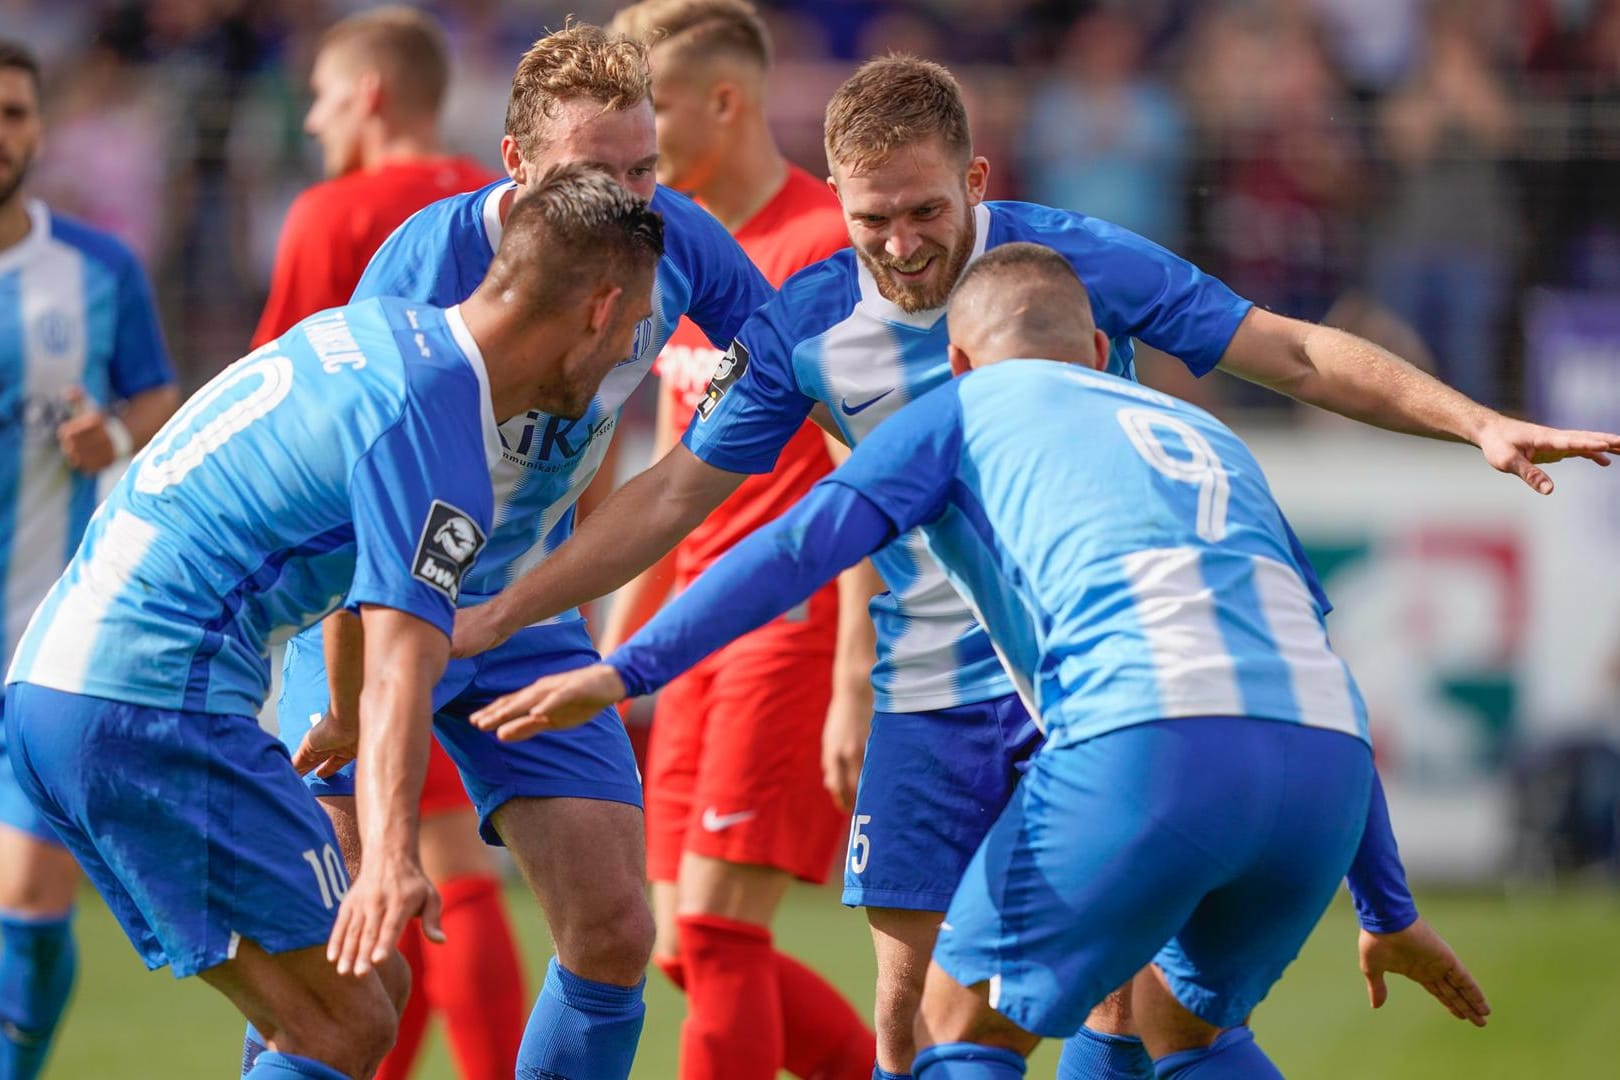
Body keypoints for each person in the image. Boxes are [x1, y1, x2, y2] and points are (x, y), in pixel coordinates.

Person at [448, 56, 1617, 1080]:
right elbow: (676, 495)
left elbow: (1295, 351)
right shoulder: (806, 321)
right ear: (837, 204)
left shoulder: (1074, 265)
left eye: (923, 211)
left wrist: (1476, 423)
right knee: (908, 1021)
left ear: (978, 182)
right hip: (932, 695)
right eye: (871, 220)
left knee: (1112, 1012)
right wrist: (507, 611)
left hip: (1101, 691)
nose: (901, 245)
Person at [3, 164, 663, 1080]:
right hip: (152, 701)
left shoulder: (383, 330)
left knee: (365, 990)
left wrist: (345, 710)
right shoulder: (438, 433)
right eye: (634, 333)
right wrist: (392, 854)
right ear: (596, 313)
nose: (622, 367)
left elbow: (352, 578)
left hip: (71, 680)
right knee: (342, 1023)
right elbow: (406, 656)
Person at [274, 24, 772, 1080]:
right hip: (363, 606)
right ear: (516, 165)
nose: (634, 199)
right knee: (340, 977)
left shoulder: (675, 241)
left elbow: (792, 360)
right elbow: (345, 497)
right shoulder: (423, 264)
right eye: (599, 173)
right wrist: (347, 695)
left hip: (524, 612)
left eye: (647, 168)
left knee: (614, 932)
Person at [247, 10, 523, 1079]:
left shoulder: (334, 213)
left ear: (367, 92)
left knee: (364, 853)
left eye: (319, 96)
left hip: (355, 567)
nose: (313, 121)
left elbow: (286, 394)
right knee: (450, 857)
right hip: (480, 549)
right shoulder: (488, 205)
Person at [603, 3, 875, 1076]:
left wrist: (855, 663)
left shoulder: (823, 248)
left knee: (716, 933)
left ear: (726, 100)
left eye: (652, 111)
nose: (637, 148)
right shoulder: (689, 257)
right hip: (696, 628)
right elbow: (674, 474)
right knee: (677, 945)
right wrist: (616, 660)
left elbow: (873, 471)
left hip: (791, 623)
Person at [0, 38, 179, 1080]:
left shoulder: (96, 269)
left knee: (26, 906)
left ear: (40, 128)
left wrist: (109, 439)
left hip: (41, 643)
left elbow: (154, 396)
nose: (2, 134)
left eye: (16, 113)